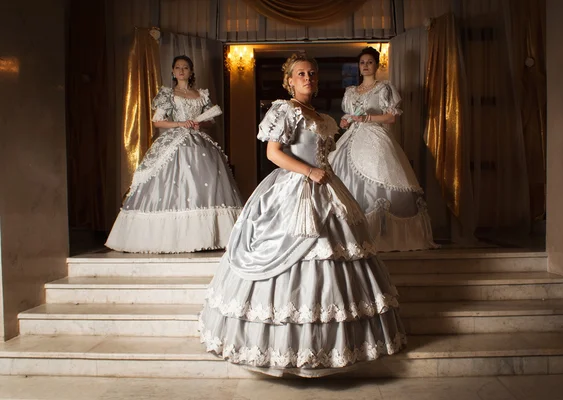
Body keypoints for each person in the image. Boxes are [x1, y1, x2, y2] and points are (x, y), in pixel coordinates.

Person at [199, 53, 406, 377]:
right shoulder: (284, 109)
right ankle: (285, 345)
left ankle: (336, 343)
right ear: (290, 81)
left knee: (337, 255)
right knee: (295, 252)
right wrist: (309, 171)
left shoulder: (321, 116)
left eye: (311, 73)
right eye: (300, 74)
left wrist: (320, 174)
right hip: (295, 188)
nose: (307, 78)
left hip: (326, 187)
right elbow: (273, 153)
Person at [105, 55, 243, 253]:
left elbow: (211, 121)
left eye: (185, 67)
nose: (181, 71)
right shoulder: (168, 94)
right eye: (177, 67)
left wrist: (199, 123)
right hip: (176, 142)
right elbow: (157, 121)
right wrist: (180, 123)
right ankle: (171, 237)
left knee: (205, 186)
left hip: (199, 143)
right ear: (172, 71)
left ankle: (206, 236)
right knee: (174, 184)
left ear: (191, 71)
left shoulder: (201, 94)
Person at [329, 46, 438, 252]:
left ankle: (383, 237)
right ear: (358, 67)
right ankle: (351, 236)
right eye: (362, 63)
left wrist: (366, 118)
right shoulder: (350, 91)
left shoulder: (384, 88)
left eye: (370, 62)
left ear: (377, 65)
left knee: (383, 181)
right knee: (341, 177)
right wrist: (345, 122)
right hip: (351, 138)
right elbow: (348, 116)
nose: (366, 66)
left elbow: (391, 117)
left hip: (375, 139)